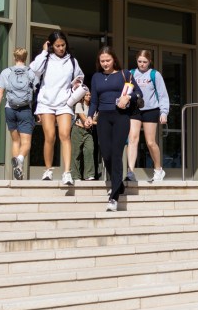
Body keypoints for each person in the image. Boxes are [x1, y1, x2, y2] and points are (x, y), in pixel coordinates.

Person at [31, 30, 83, 186]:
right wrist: (44, 52)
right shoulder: (45, 59)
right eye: (57, 46)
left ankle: (67, 173)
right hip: (46, 103)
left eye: (63, 45)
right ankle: (48, 170)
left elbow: (79, 77)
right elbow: (33, 70)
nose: (61, 48)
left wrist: (77, 84)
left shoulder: (72, 61)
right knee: (50, 137)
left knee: (65, 135)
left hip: (64, 103)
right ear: (51, 45)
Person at [87, 46, 129, 211]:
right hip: (103, 117)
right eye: (102, 61)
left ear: (114, 60)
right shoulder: (96, 77)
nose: (105, 63)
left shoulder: (124, 74)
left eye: (108, 60)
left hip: (121, 117)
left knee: (117, 153)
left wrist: (127, 98)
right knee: (106, 153)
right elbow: (94, 100)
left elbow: (136, 93)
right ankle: (118, 183)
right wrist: (90, 116)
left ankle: (114, 197)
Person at [0, 48, 37, 182]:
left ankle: (17, 171)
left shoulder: (6, 72)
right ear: (26, 57)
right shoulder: (30, 73)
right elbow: (37, 92)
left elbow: (0, 93)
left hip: (9, 109)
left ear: (14, 57)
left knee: (16, 141)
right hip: (25, 110)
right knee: (26, 142)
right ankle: (20, 160)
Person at [126, 49, 171, 182]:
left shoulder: (155, 75)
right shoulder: (131, 73)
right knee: (132, 139)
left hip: (151, 110)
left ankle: (158, 170)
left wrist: (164, 112)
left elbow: (163, 95)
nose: (142, 64)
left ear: (149, 61)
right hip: (135, 109)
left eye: (145, 62)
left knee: (150, 142)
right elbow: (127, 91)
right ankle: (130, 172)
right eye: (140, 61)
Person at [71, 90, 99, 182]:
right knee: (76, 153)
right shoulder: (79, 105)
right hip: (77, 130)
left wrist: (91, 122)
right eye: (86, 95)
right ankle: (75, 176)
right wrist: (92, 122)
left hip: (88, 131)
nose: (88, 96)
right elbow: (83, 118)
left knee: (89, 150)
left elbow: (92, 120)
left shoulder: (93, 107)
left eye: (90, 95)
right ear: (83, 96)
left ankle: (89, 174)